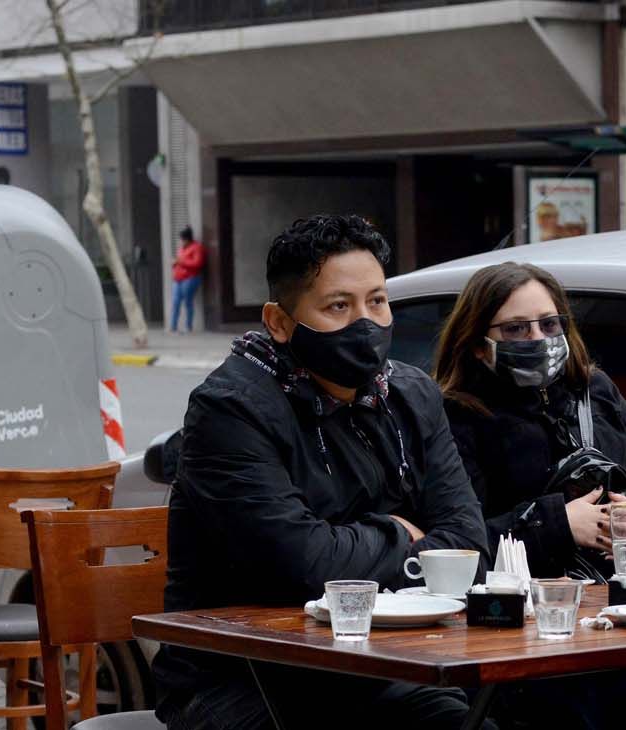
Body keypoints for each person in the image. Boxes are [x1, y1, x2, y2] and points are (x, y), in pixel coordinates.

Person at [152, 214, 490, 730]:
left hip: (381, 667)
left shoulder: (412, 395)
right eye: (338, 306)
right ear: (280, 322)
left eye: (376, 301)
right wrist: (402, 533)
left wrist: (346, 546)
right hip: (244, 676)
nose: (366, 323)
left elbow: (468, 543)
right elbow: (302, 566)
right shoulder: (231, 408)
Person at [432, 261, 626, 580]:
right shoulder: (455, 415)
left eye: (549, 324)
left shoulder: (595, 391)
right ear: (477, 344)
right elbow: (457, 543)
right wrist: (559, 523)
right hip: (520, 610)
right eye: (515, 329)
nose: (537, 339)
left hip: (614, 601)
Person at [171, 225, 205, 333]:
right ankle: (173, 326)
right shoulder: (182, 249)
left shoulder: (196, 247)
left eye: (183, 239)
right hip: (178, 278)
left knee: (188, 302)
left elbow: (197, 263)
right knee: (176, 302)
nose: (182, 242)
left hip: (190, 278)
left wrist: (181, 262)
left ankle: (188, 326)